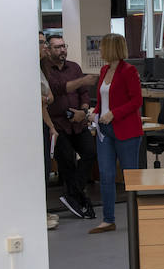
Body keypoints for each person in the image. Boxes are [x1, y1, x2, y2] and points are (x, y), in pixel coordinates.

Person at [90, 33, 143, 234]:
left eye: (103, 47)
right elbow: (102, 100)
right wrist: (94, 113)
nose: (100, 51)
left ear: (111, 48)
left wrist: (114, 114)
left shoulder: (129, 71)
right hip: (104, 130)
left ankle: (135, 218)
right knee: (106, 174)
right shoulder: (104, 70)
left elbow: (136, 101)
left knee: (130, 176)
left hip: (126, 130)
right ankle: (108, 219)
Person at [42, 33, 98, 220]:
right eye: (57, 47)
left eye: (63, 46)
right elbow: (58, 88)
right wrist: (83, 80)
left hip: (78, 121)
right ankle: (78, 198)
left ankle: (72, 195)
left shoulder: (74, 67)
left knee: (90, 153)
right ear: (48, 50)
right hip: (58, 124)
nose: (62, 50)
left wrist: (83, 110)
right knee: (67, 163)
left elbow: (84, 93)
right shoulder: (45, 69)